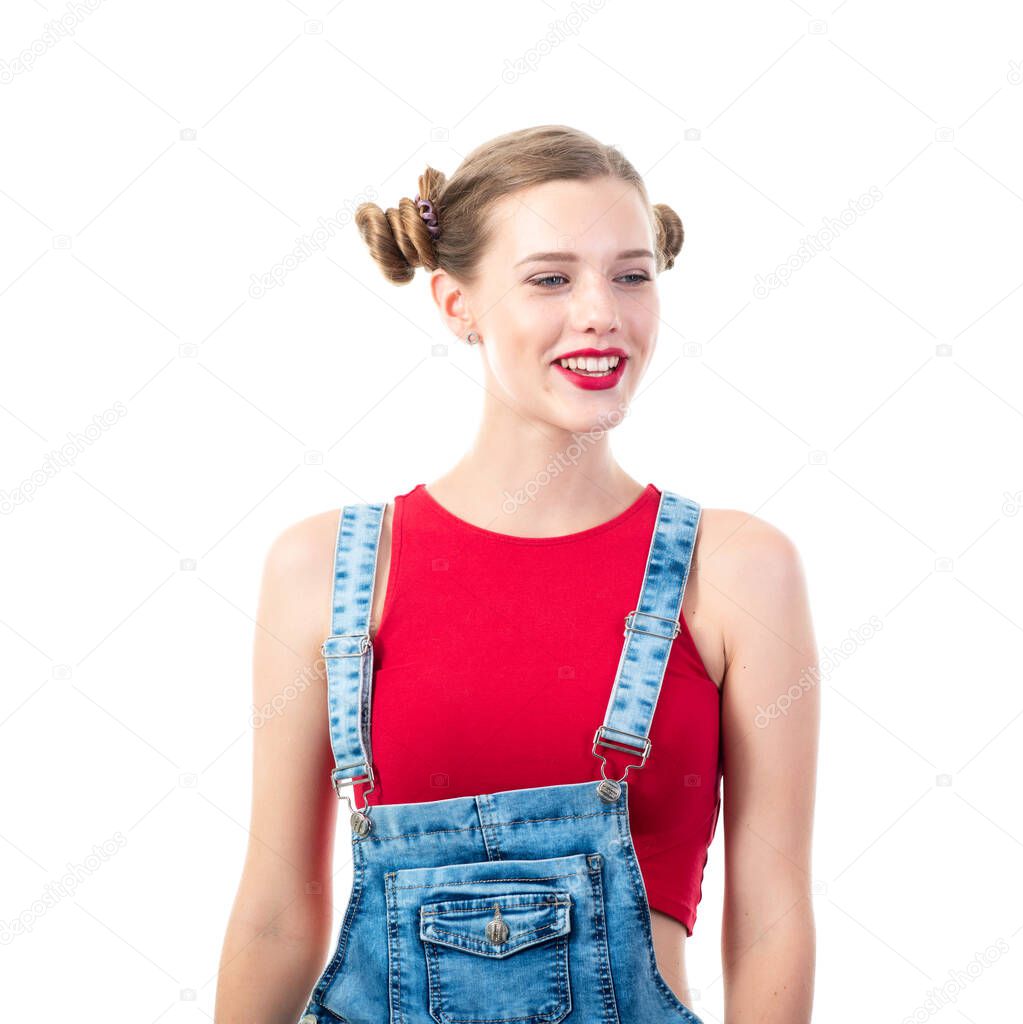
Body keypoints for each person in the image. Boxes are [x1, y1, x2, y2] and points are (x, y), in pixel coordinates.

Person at [215, 124, 819, 1024]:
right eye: (550, 278)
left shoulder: (735, 570)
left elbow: (770, 918)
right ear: (456, 304)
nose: (601, 313)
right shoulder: (324, 570)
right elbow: (274, 916)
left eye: (630, 273)